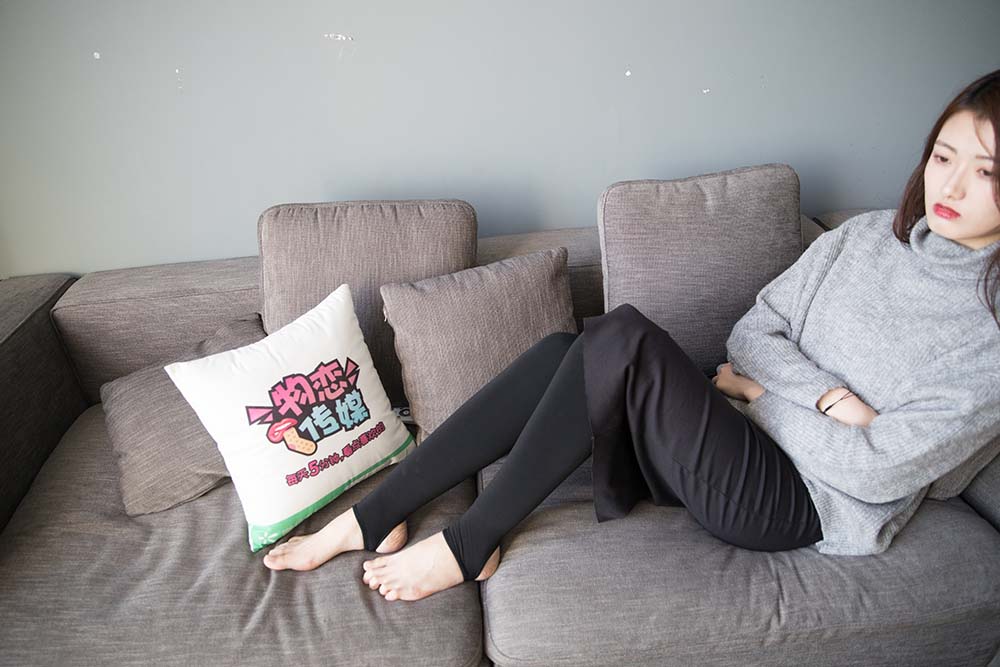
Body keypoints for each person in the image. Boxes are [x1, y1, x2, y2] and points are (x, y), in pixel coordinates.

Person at [262, 68, 1000, 602]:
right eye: (943, 156)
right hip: (728, 437)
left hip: (799, 503)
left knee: (624, 339)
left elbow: (875, 473)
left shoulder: (987, 337)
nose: (952, 186)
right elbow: (754, 333)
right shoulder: (866, 238)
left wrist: (760, 395)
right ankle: (375, 515)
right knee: (569, 351)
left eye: (986, 171)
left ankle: (467, 541)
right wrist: (832, 401)